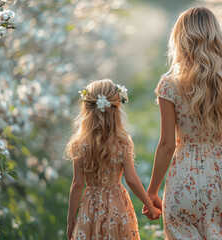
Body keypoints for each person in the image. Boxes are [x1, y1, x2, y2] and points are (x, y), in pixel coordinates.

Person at [143, 7, 222, 240]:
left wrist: (151, 192)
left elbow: (166, 145)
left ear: (181, 39)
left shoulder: (170, 85)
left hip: (184, 181)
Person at [65, 79, 161, 240]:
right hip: (117, 206)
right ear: (116, 108)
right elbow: (131, 179)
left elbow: (77, 184)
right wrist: (150, 206)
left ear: (87, 109)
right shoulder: (122, 142)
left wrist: (70, 220)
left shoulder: (79, 144)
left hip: (90, 209)